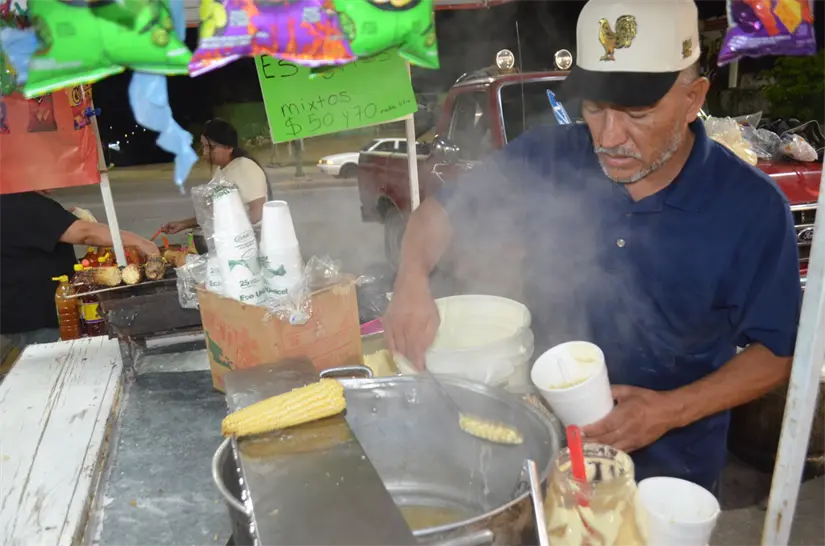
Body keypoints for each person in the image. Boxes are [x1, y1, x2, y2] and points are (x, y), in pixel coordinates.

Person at [383, 0, 800, 494]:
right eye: (595, 107)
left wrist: (669, 411)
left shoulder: (749, 207)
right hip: (538, 456)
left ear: (693, 99)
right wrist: (410, 280)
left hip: (667, 479)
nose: (608, 136)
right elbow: (440, 215)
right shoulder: (547, 156)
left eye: (637, 113)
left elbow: (778, 349)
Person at [0, 191, 158, 347]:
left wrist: (61, 219)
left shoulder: (11, 202)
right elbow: (85, 233)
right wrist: (140, 242)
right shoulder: (25, 202)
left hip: (15, 316)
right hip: (37, 319)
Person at [162, 119, 270, 234]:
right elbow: (215, 214)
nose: (205, 152)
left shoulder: (245, 167)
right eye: (204, 146)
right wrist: (183, 224)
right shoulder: (221, 170)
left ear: (229, 147)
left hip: (249, 240)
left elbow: (258, 214)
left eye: (211, 147)